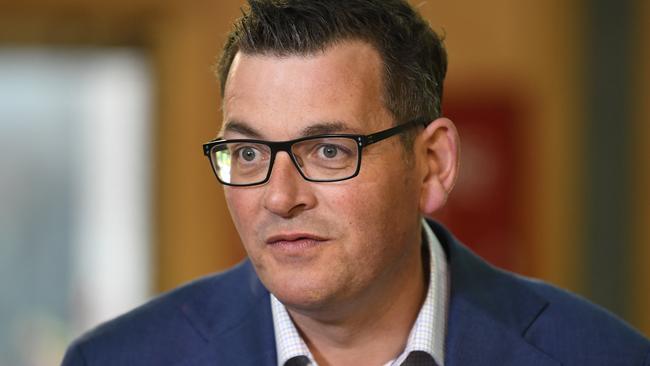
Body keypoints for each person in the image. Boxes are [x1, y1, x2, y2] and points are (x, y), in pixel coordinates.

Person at [62, 0, 650, 365]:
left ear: (433, 164)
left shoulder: (600, 357)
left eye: (327, 150)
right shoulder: (119, 360)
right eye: (247, 151)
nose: (279, 197)